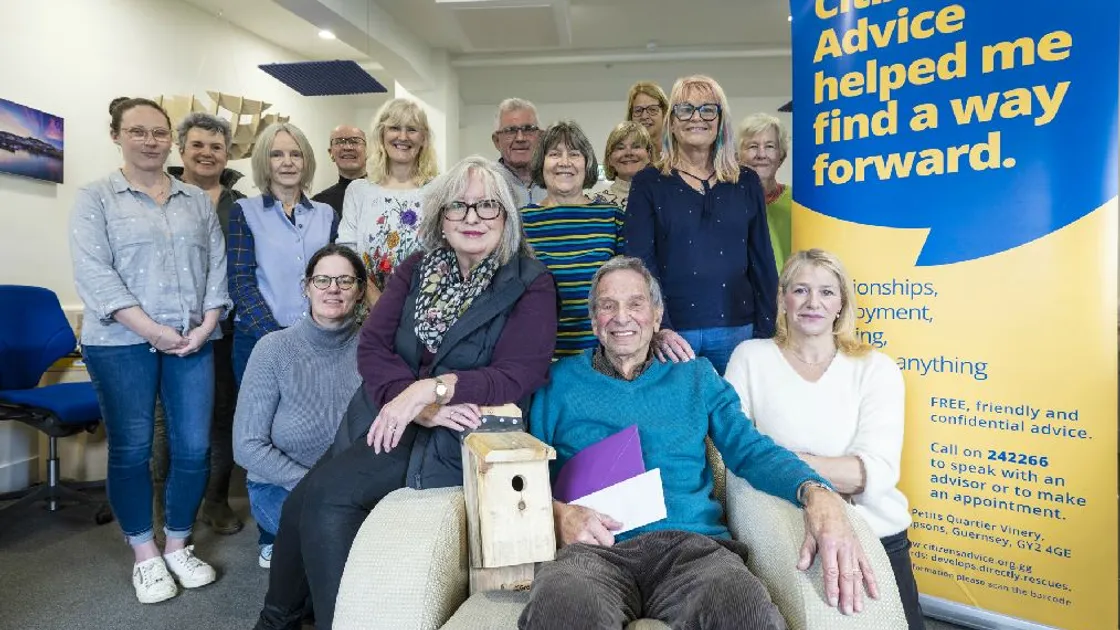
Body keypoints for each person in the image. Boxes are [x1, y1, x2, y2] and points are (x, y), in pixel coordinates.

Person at [253, 156, 559, 630]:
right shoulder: (416, 268)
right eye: (459, 206)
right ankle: (278, 621)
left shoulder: (529, 281)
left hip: (459, 433)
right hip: (389, 417)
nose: (472, 218)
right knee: (298, 503)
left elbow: (520, 373)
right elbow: (373, 346)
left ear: (507, 217)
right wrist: (412, 402)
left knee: (326, 500)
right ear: (441, 216)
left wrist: (433, 391)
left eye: (487, 207)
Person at [520, 256, 879, 629]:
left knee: (744, 610)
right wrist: (555, 514)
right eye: (608, 306)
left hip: (691, 550)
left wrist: (815, 491)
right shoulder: (556, 383)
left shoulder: (696, 377)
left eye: (636, 304)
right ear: (594, 320)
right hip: (592, 553)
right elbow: (521, 477)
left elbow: (750, 449)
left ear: (657, 317)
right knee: (561, 610)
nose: (622, 316)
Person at [71, 97, 231, 603]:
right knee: (133, 450)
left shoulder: (193, 201)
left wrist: (206, 326)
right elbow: (95, 274)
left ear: (171, 140)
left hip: (193, 341)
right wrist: (151, 330)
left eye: (159, 132)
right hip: (121, 343)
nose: (150, 140)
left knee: (193, 447)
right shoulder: (96, 198)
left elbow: (217, 270)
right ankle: (144, 553)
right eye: (137, 131)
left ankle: (179, 543)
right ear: (117, 135)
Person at [724, 249, 923, 629]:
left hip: (876, 531)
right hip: (785, 529)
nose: (813, 302)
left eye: (827, 292)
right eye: (800, 290)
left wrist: (774, 461)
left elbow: (872, 474)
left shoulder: (876, 369)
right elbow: (735, 455)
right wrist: (832, 472)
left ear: (841, 304)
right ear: (783, 299)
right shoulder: (749, 357)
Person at [625, 75, 778, 375]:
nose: (697, 118)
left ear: (721, 121)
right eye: (685, 109)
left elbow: (762, 262)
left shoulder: (745, 181)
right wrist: (659, 327)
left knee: (734, 418)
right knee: (676, 421)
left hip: (739, 329)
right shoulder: (648, 183)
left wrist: (768, 329)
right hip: (672, 335)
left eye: (708, 109)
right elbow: (639, 264)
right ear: (671, 121)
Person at [234, 244, 365, 570]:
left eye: (345, 281)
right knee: (332, 547)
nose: (333, 288)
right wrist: (313, 485)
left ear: (360, 291)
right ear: (306, 288)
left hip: (351, 485)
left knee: (372, 550)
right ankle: (274, 540)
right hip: (280, 484)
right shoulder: (273, 350)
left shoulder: (374, 349)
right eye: (322, 280)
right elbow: (246, 446)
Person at [151, 112, 247, 538]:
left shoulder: (240, 206)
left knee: (220, 417)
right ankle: (165, 509)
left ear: (227, 154)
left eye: (216, 147)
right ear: (182, 149)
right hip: (163, 328)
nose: (207, 153)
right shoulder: (158, 196)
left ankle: (215, 499)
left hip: (223, 329)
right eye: (198, 145)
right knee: (165, 421)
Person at [227, 122, 338, 384]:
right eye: (276, 154)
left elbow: (335, 279)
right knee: (257, 421)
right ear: (265, 162)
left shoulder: (326, 214)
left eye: (295, 154)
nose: (287, 162)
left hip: (317, 338)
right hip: (256, 338)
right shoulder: (244, 211)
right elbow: (240, 282)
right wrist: (275, 338)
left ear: (306, 160)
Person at [521, 121, 624, 357]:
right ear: (541, 163)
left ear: (587, 164)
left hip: (601, 357)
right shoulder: (520, 222)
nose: (564, 162)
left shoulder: (611, 218)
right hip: (538, 357)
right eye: (554, 154)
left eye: (574, 154)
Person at [336, 98, 437, 309]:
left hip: (421, 310)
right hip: (367, 310)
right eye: (394, 128)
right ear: (381, 135)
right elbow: (347, 252)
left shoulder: (439, 190)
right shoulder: (358, 190)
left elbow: (445, 253)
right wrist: (376, 301)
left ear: (424, 138)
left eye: (412, 129)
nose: (403, 136)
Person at [738, 112, 792, 273]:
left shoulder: (799, 203)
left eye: (770, 146)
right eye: (753, 146)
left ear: (781, 156)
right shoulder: (726, 204)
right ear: (738, 156)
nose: (761, 155)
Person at [492, 97, 546, 207]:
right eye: (510, 131)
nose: (520, 138)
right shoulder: (485, 183)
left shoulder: (557, 180)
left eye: (528, 129)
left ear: (540, 138)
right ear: (497, 141)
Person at [594, 121, 653, 212]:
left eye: (636, 146)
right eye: (620, 148)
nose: (628, 153)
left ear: (649, 155)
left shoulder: (664, 200)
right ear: (609, 159)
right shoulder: (593, 203)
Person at [312, 125, 369, 217]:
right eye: (339, 142)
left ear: (367, 151)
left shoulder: (386, 196)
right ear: (330, 153)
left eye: (354, 141)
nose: (347, 147)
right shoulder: (318, 205)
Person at [626, 81, 669, 162]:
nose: (644, 116)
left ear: (664, 113)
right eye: (638, 111)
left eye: (652, 109)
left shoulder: (679, 152)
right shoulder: (626, 156)